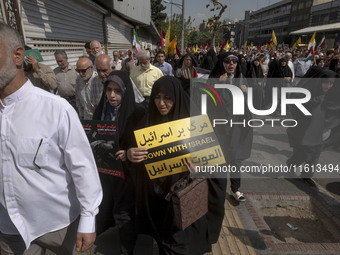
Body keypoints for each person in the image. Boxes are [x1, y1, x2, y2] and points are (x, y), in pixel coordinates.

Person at [0, 22, 102, 255]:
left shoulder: (56, 109)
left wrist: (88, 219)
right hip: (9, 230)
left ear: (18, 56)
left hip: (59, 227)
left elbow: (82, 166)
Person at [126, 76, 212, 254]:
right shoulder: (145, 120)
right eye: (157, 97)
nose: (162, 103)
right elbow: (127, 147)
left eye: (168, 98)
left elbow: (211, 160)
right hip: (153, 198)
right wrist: (130, 154)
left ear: (177, 98)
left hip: (182, 197)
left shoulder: (193, 122)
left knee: (179, 244)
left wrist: (200, 167)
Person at [93, 71, 139, 254]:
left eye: (118, 91)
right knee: (104, 205)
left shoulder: (136, 114)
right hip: (105, 173)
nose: (112, 95)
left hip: (127, 175)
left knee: (124, 212)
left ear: (125, 92)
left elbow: (141, 147)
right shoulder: (101, 111)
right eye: (109, 90)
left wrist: (128, 152)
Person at [209, 52, 253, 202]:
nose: (231, 64)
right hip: (219, 125)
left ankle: (236, 189)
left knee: (235, 158)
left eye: (234, 61)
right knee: (219, 159)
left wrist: (247, 92)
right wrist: (218, 85)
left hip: (237, 125)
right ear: (222, 63)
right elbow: (206, 100)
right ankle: (218, 189)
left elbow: (256, 100)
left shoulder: (242, 79)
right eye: (228, 61)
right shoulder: (214, 78)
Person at [286, 67, 340, 186]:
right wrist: (314, 101)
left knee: (315, 152)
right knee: (304, 151)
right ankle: (291, 164)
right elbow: (297, 104)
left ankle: (307, 175)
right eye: (326, 83)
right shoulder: (308, 90)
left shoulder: (331, 95)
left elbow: (333, 108)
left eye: (331, 83)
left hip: (321, 128)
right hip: (305, 127)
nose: (328, 86)